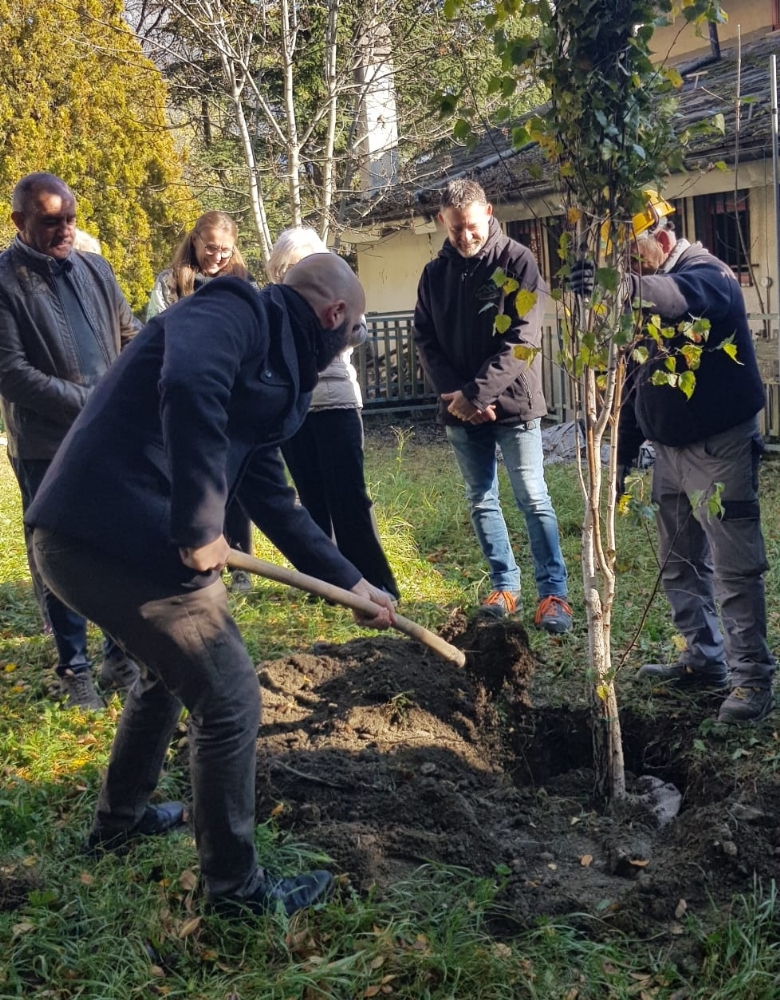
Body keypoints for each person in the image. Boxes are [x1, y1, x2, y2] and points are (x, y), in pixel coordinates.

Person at [26, 253, 395, 916]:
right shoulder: (237, 309)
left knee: (166, 678)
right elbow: (191, 383)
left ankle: (121, 819)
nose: (351, 341)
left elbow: (273, 500)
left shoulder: (274, 376)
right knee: (229, 697)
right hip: (104, 535)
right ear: (334, 316)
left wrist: (351, 582)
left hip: (97, 541)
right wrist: (199, 522)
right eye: (357, 329)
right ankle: (236, 895)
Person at [570, 191, 776, 725]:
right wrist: (615, 465)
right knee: (678, 561)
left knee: (734, 569)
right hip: (669, 453)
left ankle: (751, 680)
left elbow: (683, 297)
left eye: (635, 257)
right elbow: (637, 383)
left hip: (719, 450)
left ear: (661, 239)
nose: (631, 269)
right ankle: (702, 656)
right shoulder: (645, 294)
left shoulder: (711, 274)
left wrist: (624, 288)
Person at [0, 172, 141, 709]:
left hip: (107, 439)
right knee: (61, 554)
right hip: (44, 445)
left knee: (115, 547)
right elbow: (11, 373)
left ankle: (118, 655)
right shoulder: (5, 280)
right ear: (19, 222)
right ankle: (74, 668)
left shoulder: (94, 267)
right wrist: (92, 404)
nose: (64, 230)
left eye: (70, 218)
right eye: (50, 220)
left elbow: (129, 334)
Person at [413, 178, 572, 633]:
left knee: (533, 498)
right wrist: (459, 397)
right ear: (444, 222)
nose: (465, 237)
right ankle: (505, 586)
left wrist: (477, 394)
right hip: (459, 407)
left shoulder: (518, 261)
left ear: (488, 212)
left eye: (472, 227)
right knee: (482, 500)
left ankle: (553, 595)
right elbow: (424, 339)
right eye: (455, 229)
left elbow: (523, 340)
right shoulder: (434, 275)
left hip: (514, 405)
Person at [270, 227, 400, 601]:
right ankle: (327, 581)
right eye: (283, 269)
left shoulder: (338, 294)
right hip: (295, 410)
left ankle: (377, 581)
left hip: (335, 404)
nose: (289, 275)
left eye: (296, 266)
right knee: (310, 499)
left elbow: (358, 332)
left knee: (348, 498)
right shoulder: (277, 302)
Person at [147, 211, 256, 593]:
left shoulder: (242, 283)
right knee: (189, 476)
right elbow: (156, 334)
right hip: (186, 392)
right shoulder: (171, 282)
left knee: (236, 481)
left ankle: (243, 562)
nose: (217, 256)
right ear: (194, 241)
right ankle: (194, 554)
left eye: (225, 250)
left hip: (231, 395)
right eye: (210, 247)